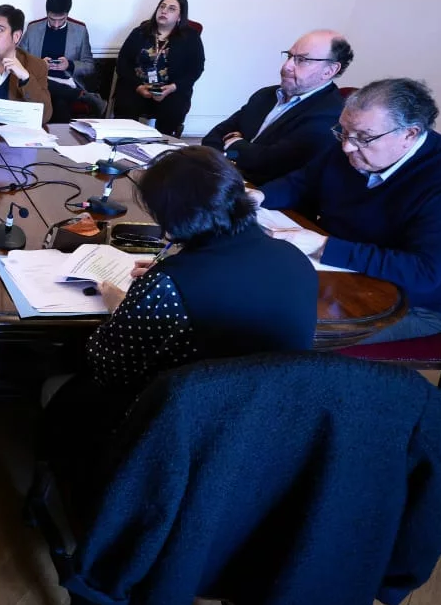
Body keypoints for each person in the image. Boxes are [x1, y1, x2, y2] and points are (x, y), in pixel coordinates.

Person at [41, 145, 317, 482]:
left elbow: (106, 366)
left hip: (173, 435)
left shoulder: (168, 284)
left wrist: (120, 305)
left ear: (174, 220)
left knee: (62, 371)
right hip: (269, 432)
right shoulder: (293, 257)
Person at [252, 79, 441, 343]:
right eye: (343, 132)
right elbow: (304, 181)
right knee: (249, 297)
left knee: (278, 332)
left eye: (363, 138)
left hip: (409, 303)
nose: (347, 147)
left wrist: (323, 246)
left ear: (409, 134)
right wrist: (258, 197)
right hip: (345, 271)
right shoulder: (356, 140)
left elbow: (423, 271)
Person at [201, 30, 350, 184]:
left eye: (302, 60)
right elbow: (213, 137)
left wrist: (234, 144)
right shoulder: (265, 95)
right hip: (224, 178)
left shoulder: (330, 113)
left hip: (262, 192)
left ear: (329, 70)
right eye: (289, 56)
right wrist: (235, 152)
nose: (287, 66)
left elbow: (270, 164)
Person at [113, 0, 205, 136]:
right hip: (138, 86)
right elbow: (122, 63)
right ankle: (125, 140)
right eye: (162, 7)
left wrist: (172, 88)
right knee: (125, 103)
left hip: (171, 90)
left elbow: (196, 69)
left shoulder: (190, 37)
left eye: (171, 9)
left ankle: (162, 143)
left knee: (173, 108)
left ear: (180, 16)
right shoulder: (139, 32)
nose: (164, 11)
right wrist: (138, 87)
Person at [18, 0, 104, 120]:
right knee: (56, 98)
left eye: (61, 19)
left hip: (66, 81)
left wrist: (70, 65)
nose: (56, 24)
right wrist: (39, 65)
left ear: (67, 14)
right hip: (39, 81)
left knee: (59, 103)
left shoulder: (80, 31)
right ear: (47, 13)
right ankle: (81, 95)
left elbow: (89, 66)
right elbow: (19, 59)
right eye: (52, 19)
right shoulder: (33, 29)